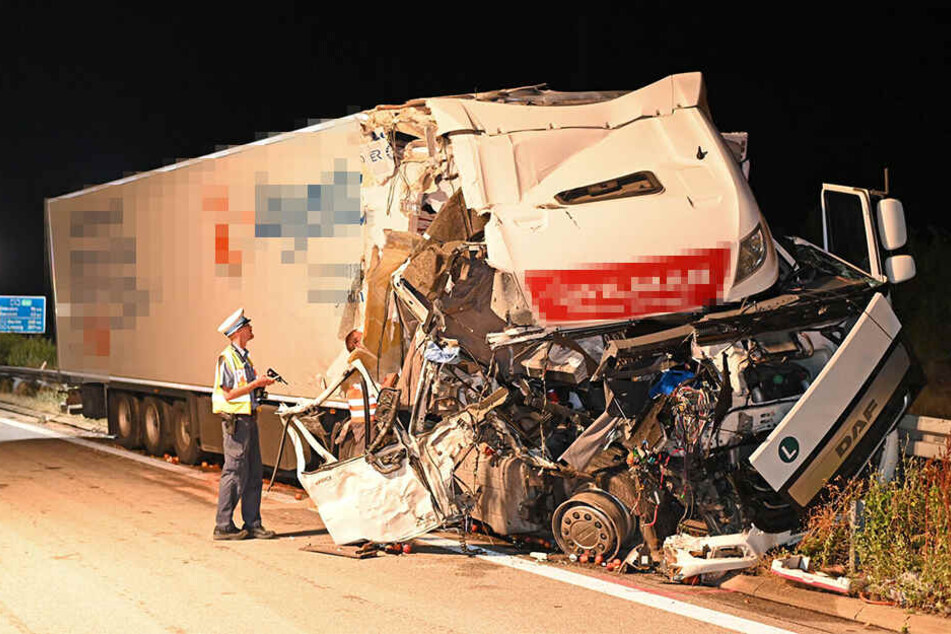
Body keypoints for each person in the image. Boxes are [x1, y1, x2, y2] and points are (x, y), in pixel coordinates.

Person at [211, 307, 276, 540]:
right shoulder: (226, 358)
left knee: (253, 472)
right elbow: (228, 394)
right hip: (236, 422)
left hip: (248, 419)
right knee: (234, 472)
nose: (251, 329)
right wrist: (255, 384)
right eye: (248, 326)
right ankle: (223, 525)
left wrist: (259, 385)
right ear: (239, 331)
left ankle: (253, 522)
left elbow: (244, 390)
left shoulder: (243, 357)